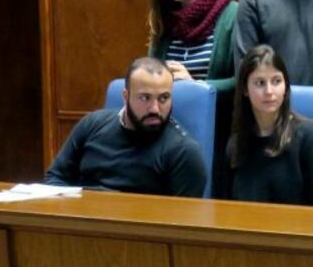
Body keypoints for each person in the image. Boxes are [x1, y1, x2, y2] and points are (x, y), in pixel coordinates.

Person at [45, 57, 206, 197]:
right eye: (145, 98)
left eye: (163, 98)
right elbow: (55, 179)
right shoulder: (92, 124)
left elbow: (183, 217)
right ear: (126, 97)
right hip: (83, 216)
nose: (155, 109)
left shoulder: (184, 152)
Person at [226, 45, 313, 206]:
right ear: (245, 89)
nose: (269, 91)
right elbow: (226, 208)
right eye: (260, 83)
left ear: (286, 86)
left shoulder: (311, 138)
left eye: (276, 81)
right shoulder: (236, 146)